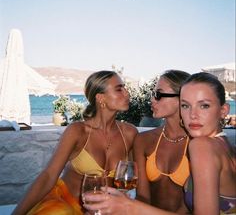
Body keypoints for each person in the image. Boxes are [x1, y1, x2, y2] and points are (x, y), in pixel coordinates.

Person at [83, 72, 236, 214]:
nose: (193, 115)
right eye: (186, 105)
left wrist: (127, 206)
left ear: (224, 110)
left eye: (204, 105)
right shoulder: (222, 146)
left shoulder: (200, 145)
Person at [12, 70, 138, 215]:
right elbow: (48, 176)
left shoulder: (128, 133)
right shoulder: (78, 131)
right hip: (65, 203)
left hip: (104, 209)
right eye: (119, 89)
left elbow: (131, 180)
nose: (127, 93)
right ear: (100, 98)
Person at [134, 70, 190, 213]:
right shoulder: (143, 140)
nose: (152, 100)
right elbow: (142, 196)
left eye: (158, 95)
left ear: (182, 99)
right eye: (153, 94)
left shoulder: (199, 145)